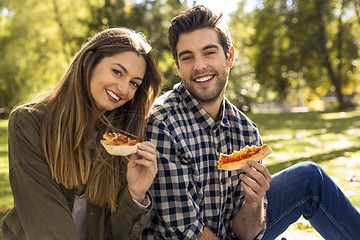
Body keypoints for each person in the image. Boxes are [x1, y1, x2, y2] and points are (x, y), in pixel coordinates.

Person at [140, 5, 360, 240]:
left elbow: (247, 233)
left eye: (209, 52)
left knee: (310, 177)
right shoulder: (161, 123)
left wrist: (254, 201)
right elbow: (186, 231)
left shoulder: (245, 131)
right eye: (187, 57)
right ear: (177, 66)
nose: (199, 66)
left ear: (229, 56)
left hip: (229, 234)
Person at [1, 27, 162, 240]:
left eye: (134, 83)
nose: (124, 89)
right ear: (88, 61)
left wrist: (135, 194)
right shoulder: (28, 122)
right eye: (117, 72)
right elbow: (47, 225)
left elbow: (113, 235)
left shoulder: (120, 141)